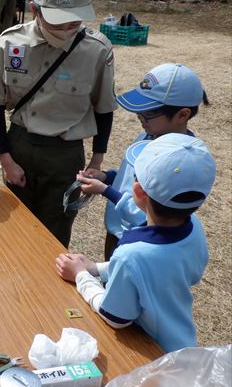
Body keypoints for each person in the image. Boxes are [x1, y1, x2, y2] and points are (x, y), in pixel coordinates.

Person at [0, 0, 117, 247]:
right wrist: (6, 159)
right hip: (21, 147)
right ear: (34, 9)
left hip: (66, 156)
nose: (66, 30)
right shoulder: (9, 43)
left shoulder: (96, 51)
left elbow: (104, 108)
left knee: (55, 234)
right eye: (58, 22)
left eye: (73, 22)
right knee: (14, 231)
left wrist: (97, 160)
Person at [56, 133, 216, 353]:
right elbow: (151, 266)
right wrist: (96, 269)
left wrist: (81, 276)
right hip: (181, 343)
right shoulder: (193, 227)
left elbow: (115, 317)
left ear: (138, 191)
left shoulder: (130, 255)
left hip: (149, 352)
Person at [75, 63, 207, 260]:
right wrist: (107, 177)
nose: (140, 118)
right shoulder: (147, 134)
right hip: (118, 230)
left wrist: (105, 190)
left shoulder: (177, 162)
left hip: (142, 240)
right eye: (139, 111)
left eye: (149, 112)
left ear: (182, 114)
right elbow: (130, 177)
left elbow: (147, 213)